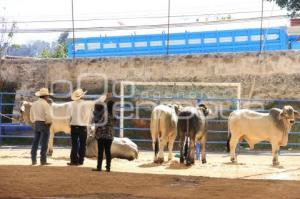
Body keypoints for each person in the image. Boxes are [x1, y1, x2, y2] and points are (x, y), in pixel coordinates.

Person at [30, 87, 53, 165]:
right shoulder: (46, 104)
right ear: (46, 96)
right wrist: (49, 123)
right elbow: (49, 116)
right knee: (44, 143)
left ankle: (33, 160)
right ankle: (43, 160)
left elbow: (31, 115)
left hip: (36, 123)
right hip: (44, 124)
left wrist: (34, 121)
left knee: (35, 142)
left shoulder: (34, 103)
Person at [67, 88, 89, 166]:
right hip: (83, 127)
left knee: (74, 144)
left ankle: (74, 161)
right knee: (83, 144)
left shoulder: (71, 104)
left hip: (74, 126)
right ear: (82, 96)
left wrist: (69, 124)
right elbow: (89, 116)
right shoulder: (86, 104)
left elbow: (68, 116)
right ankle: (81, 160)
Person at [92, 98, 115, 172]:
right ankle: (108, 167)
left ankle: (99, 167)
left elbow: (100, 123)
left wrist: (96, 123)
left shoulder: (105, 114)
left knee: (100, 152)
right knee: (108, 152)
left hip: (101, 135)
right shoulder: (114, 115)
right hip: (110, 135)